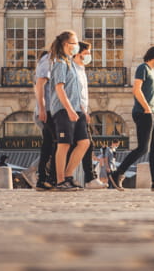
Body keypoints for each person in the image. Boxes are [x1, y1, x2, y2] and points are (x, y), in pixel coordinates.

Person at [110, 46, 154, 192]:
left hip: (152, 111)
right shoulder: (142, 68)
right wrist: (146, 108)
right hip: (144, 112)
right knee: (143, 148)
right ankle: (118, 173)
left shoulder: (152, 71)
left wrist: (151, 110)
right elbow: (136, 89)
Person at [49, 32, 92, 192]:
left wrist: (82, 110)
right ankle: (60, 181)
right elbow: (59, 89)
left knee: (84, 143)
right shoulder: (60, 63)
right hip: (63, 110)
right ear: (67, 45)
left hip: (76, 109)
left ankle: (68, 176)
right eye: (75, 43)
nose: (77, 46)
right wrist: (69, 109)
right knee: (64, 144)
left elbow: (76, 90)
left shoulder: (71, 63)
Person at [33, 45, 60, 191]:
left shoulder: (52, 60)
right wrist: (42, 109)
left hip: (50, 109)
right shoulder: (48, 60)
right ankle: (49, 177)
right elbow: (40, 85)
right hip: (48, 110)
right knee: (57, 142)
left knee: (49, 144)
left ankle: (43, 178)